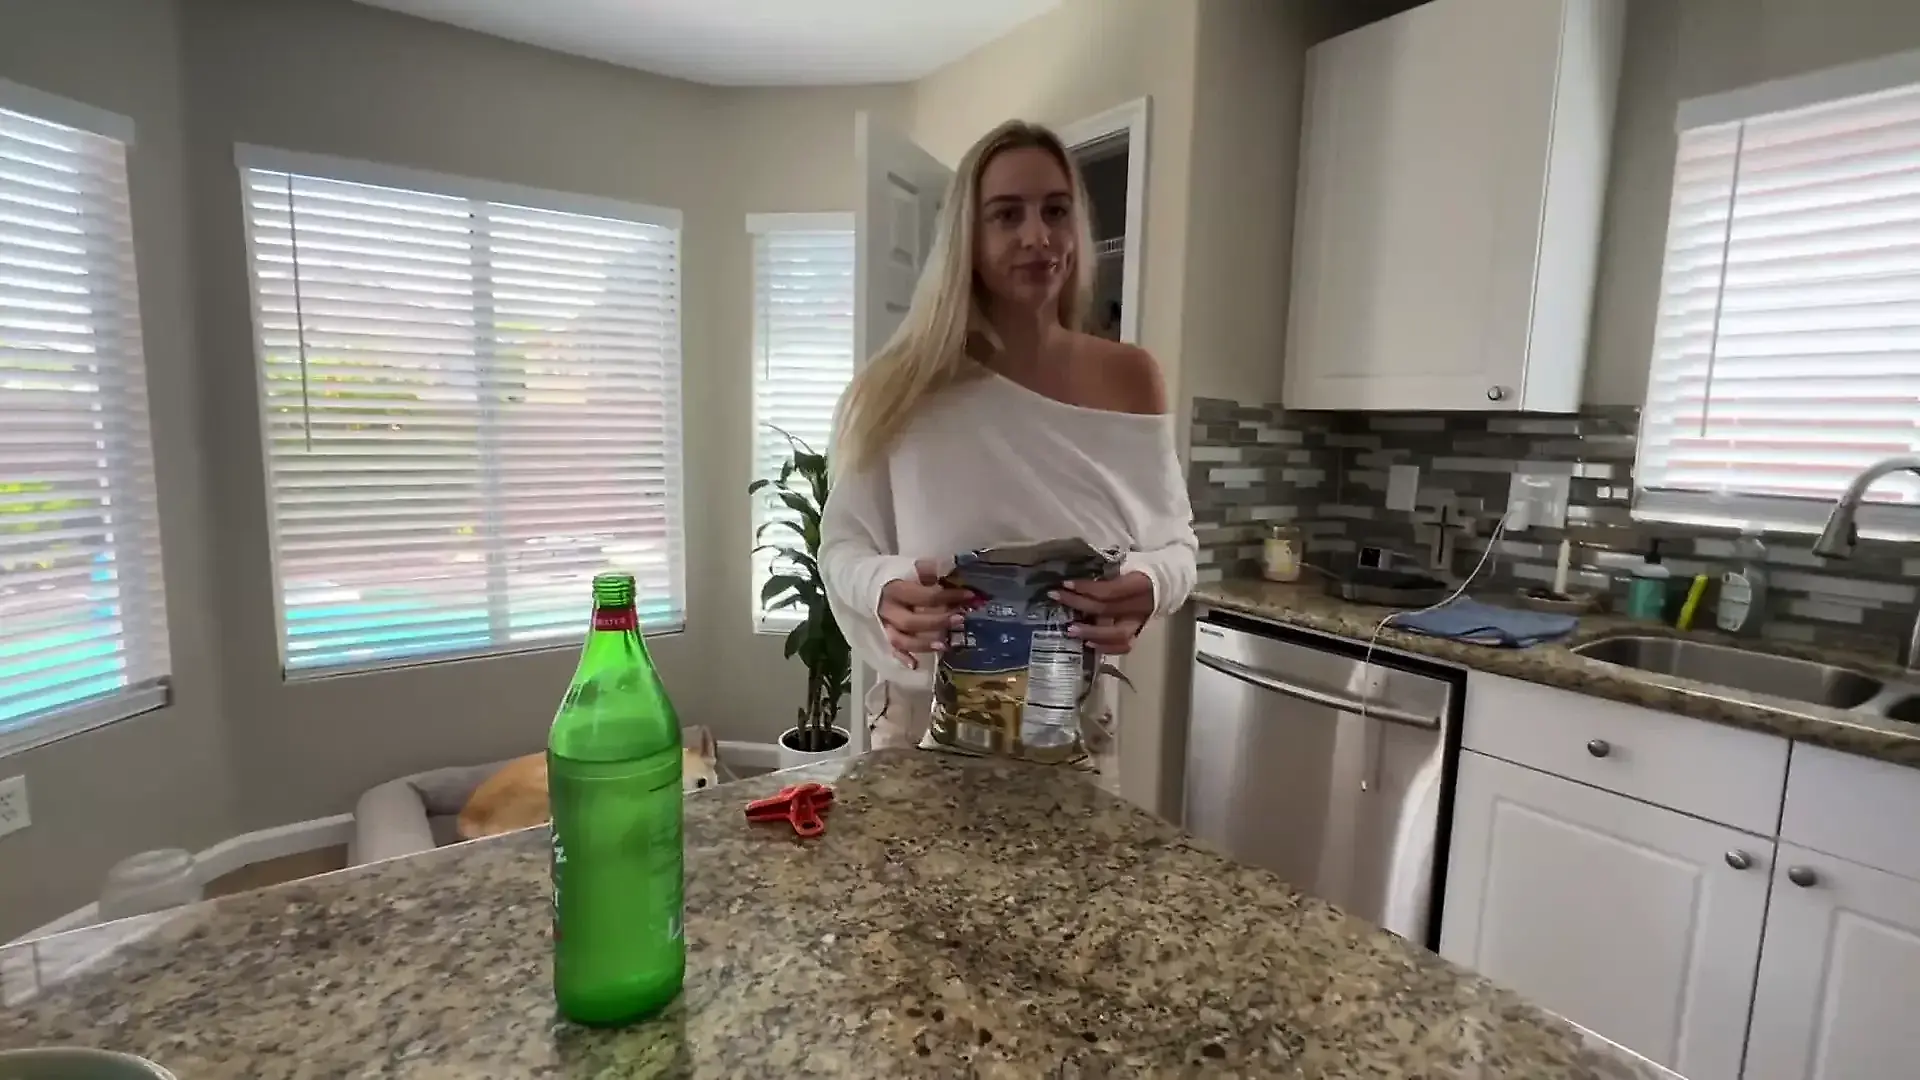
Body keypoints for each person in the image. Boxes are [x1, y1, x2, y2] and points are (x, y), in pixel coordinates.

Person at [820, 119, 1197, 756]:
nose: (1037, 236)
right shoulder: (898, 388)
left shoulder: (1131, 378)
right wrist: (882, 587)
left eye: (1056, 210)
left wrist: (1150, 585)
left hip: (1070, 724)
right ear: (967, 236)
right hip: (922, 727)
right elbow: (842, 547)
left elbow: (1178, 547)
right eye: (1006, 215)